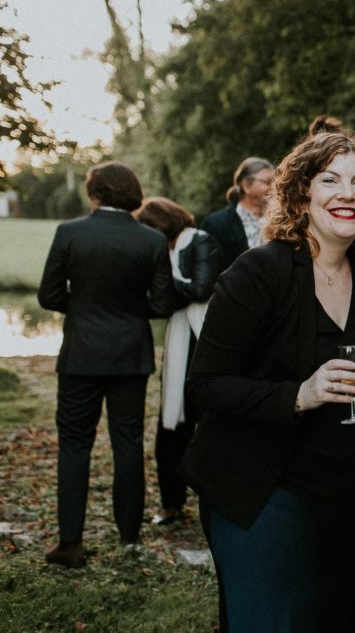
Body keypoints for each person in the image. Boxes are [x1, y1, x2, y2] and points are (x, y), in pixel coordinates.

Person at [179, 130, 355, 631]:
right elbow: (205, 384)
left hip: (340, 496)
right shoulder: (260, 272)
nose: (348, 193)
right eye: (331, 180)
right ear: (301, 194)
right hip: (262, 491)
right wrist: (300, 394)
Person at [38, 162, 174, 568]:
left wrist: (80, 309)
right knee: (128, 443)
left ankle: (70, 544)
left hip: (82, 354)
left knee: (75, 445)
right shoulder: (151, 240)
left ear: (95, 192)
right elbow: (163, 303)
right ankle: (130, 537)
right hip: (131, 354)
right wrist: (132, 312)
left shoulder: (70, 232)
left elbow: (48, 295)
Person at [135, 197, 223, 525]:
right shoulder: (165, 250)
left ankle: (217, 499)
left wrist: (160, 279)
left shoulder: (201, 242)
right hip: (178, 344)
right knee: (170, 428)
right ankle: (171, 502)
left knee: (210, 425)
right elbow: (160, 304)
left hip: (207, 342)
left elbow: (201, 289)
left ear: (161, 225)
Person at [200, 156, 275, 271]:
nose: (273, 187)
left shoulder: (280, 221)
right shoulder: (216, 224)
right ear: (246, 185)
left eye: (275, 182)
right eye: (267, 182)